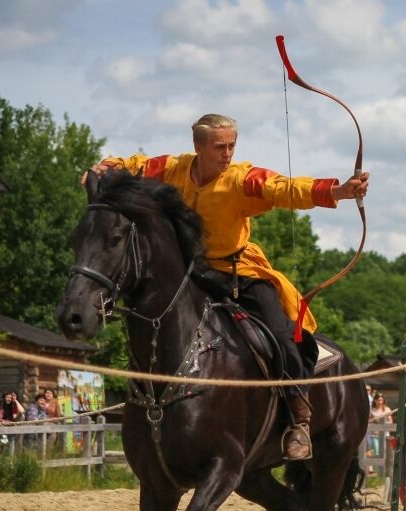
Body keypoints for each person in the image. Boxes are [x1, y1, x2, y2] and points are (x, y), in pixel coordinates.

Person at [87, 113, 369, 461]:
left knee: (284, 337)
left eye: (232, 145)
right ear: (199, 147)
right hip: (191, 274)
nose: (227, 153)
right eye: (220, 146)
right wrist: (104, 167)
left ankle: (299, 417)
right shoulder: (174, 169)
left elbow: (283, 188)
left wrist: (336, 191)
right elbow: (133, 166)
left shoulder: (240, 179)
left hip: (240, 273)